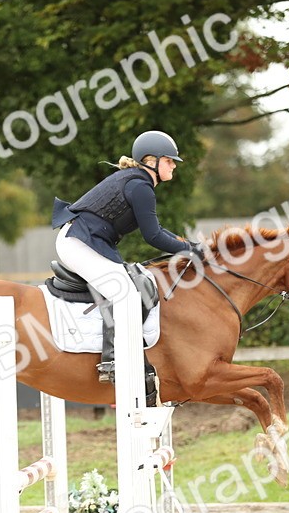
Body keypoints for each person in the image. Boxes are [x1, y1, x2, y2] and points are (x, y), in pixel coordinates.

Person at [51, 130, 203, 382]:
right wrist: (192, 250)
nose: (173, 165)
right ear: (150, 160)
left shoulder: (137, 181)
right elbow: (153, 236)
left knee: (135, 284)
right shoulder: (140, 186)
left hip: (88, 240)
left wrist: (190, 245)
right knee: (127, 292)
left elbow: (159, 231)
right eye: (168, 160)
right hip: (79, 242)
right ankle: (112, 360)